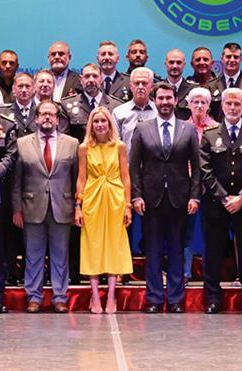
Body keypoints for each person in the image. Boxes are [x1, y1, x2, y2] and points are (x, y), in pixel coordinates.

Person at [129, 83, 200, 313]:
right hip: (151, 200)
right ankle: (155, 299)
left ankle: (177, 299)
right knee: (153, 251)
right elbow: (133, 166)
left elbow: (197, 167)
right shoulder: (142, 128)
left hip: (180, 199)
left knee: (178, 251)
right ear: (155, 100)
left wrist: (194, 197)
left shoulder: (187, 129)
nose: (165, 102)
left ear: (175, 100)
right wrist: (136, 196)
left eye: (169, 98)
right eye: (161, 98)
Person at [200, 87, 242, 314]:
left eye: (237, 104)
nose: (232, 108)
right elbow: (205, 170)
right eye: (228, 104)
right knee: (214, 252)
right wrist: (223, 197)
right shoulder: (210, 135)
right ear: (222, 106)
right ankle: (212, 298)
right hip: (216, 204)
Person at [13, 101, 80, 313]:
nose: (47, 118)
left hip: (63, 206)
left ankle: (60, 296)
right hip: (32, 207)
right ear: (36, 119)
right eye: (43, 114)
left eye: (51, 115)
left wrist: (78, 205)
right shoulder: (22, 143)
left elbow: (78, 177)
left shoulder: (72, 143)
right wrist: (16, 209)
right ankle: (34, 296)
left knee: (61, 255)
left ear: (58, 119)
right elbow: (17, 181)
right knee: (33, 255)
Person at [75, 106, 133, 313]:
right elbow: (81, 178)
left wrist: (128, 205)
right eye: (96, 121)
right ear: (91, 125)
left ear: (109, 124)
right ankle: (94, 295)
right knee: (93, 245)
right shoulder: (84, 148)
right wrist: (78, 207)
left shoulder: (120, 146)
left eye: (103, 121)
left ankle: (111, 296)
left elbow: (126, 177)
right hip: (92, 198)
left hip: (115, 199)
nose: (100, 125)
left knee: (113, 245)